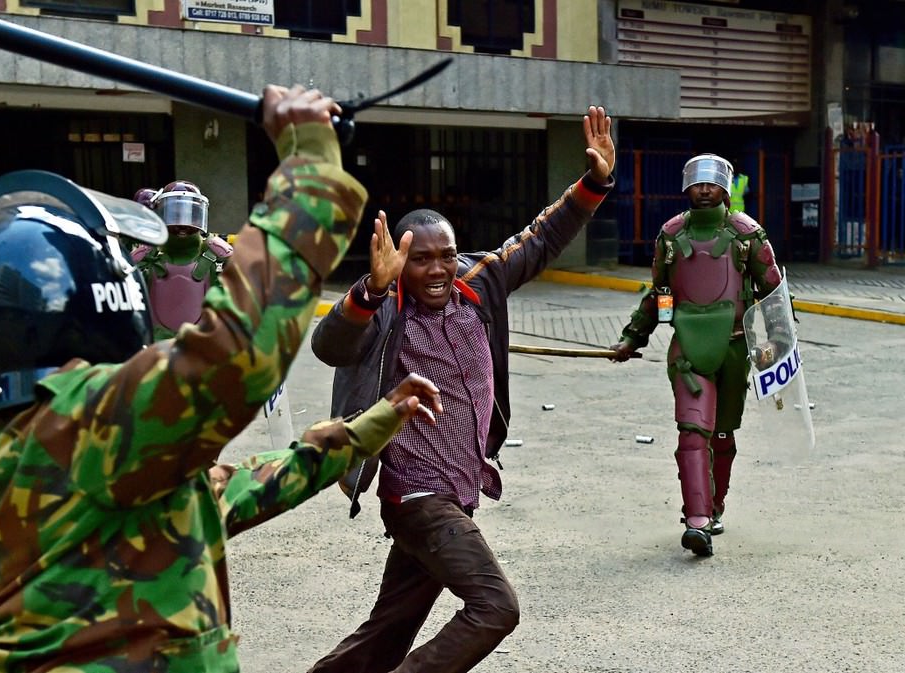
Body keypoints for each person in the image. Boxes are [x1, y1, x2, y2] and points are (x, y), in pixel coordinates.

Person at [0, 84, 374, 673]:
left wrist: (369, 426)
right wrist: (309, 160)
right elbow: (237, 353)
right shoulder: (87, 424)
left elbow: (223, 491)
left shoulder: (9, 445)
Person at [307, 105, 616, 673]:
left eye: (445, 255)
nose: (436, 269)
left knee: (386, 631)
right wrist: (369, 292)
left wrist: (593, 183)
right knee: (495, 607)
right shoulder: (386, 305)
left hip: (457, 491)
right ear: (399, 262)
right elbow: (329, 345)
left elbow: (540, 239)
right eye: (419, 258)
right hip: (418, 497)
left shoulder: (479, 282)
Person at [609, 153, 782, 557]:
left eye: (711, 182)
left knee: (722, 434)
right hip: (687, 349)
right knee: (692, 432)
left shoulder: (746, 234)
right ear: (686, 187)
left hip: (736, 347)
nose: (704, 189)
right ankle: (697, 522)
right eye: (696, 182)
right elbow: (660, 294)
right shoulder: (671, 236)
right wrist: (632, 338)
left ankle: (715, 508)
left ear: (724, 187)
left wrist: (780, 344)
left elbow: (773, 290)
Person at [131, 180, 235, 340]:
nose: (182, 223)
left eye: (189, 214)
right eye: (175, 213)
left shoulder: (217, 255)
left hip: (203, 348)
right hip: (157, 349)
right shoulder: (146, 256)